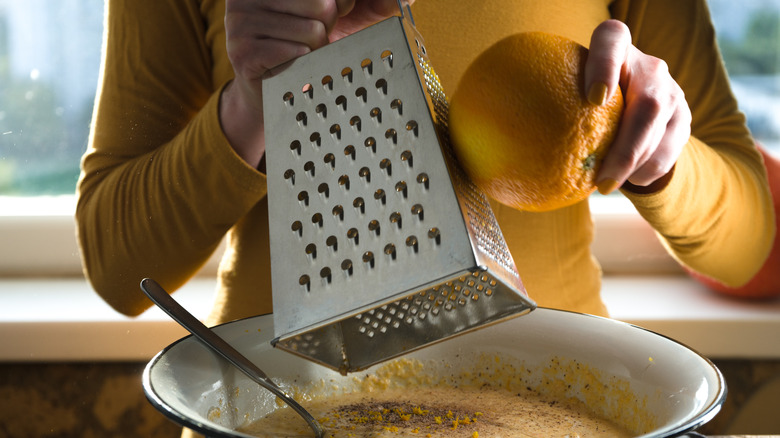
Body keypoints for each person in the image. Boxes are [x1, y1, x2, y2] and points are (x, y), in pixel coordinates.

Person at [78, 0, 773, 339]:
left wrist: (659, 156)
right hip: (276, 407)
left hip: (555, 399)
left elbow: (747, 245)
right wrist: (249, 104)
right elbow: (119, 267)